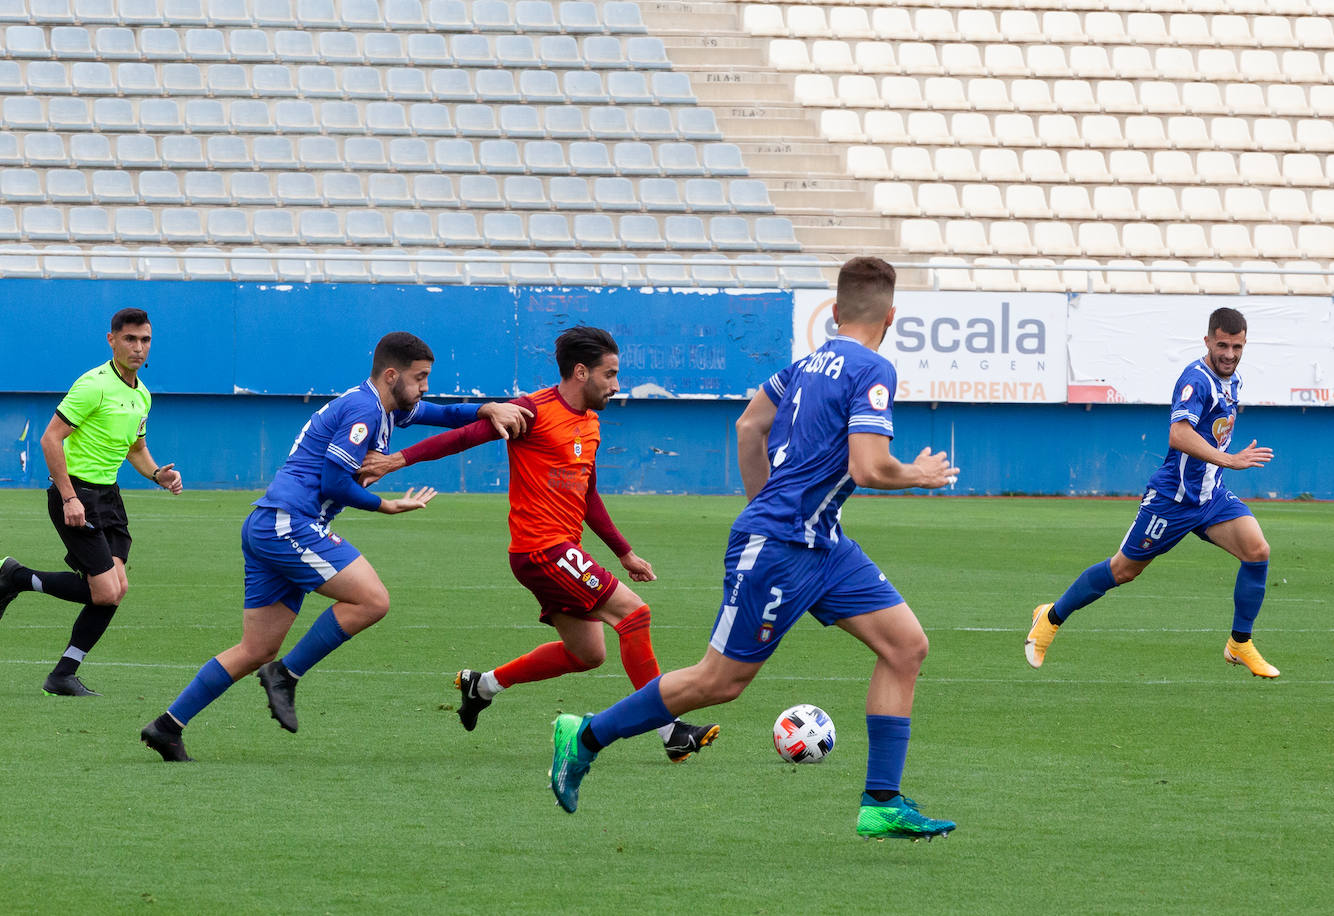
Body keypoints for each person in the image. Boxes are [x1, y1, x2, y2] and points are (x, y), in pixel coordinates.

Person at [542, 258, 961, 841]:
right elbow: (868, 467)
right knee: (720, 681)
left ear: (836, 313)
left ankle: (881, 803)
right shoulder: (874, 368)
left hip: (824, 543)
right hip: (784, 546)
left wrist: (768, 503)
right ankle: (583, 735)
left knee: (906, 648)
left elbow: (747, 427)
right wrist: (915, 474)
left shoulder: (803, 366)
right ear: (891, 316)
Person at [139, 332, 532, 761]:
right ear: (390, 374)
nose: (423, 388)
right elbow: (333, 482)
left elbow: (441, 413)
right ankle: (286, 676)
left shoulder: (381, 406)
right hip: (289, 524)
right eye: (419, 378)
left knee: (255, 649)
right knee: (372, 600)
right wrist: (385, 506)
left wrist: (485, 408)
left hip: (271, 523)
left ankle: (167, 726)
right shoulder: (364, 409)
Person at [360, 326, 719, 763]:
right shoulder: (531, 410)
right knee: (634, 615)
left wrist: (623, 551)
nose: (617, 384)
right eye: (610, 374)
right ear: (582, 372)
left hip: (556, 553)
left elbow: (587, 493)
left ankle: (483, 685)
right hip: (541, 549)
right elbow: (465, 436)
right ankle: (669, 730)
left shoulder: (590, 423)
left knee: (587, 653)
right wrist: (398, 460)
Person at [1026, 307, 1278, 677]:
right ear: (1207, 341)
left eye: (1237, 346)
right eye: (1222, 345)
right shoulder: (1196, 380)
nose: (1229, 354)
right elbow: (1179, 434)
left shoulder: (1233, 379)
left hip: (1210, 498)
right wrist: (1228, 460)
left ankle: (1239, 644)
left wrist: (1219, 468)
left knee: (1257, 551)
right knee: (1123, 571)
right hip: (1171, 501)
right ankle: (1049, 617)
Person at [0, 308, 183, 697]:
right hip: (74, 494)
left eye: (144, 340)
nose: (138, 348)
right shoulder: (93, 385)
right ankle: (19, 578)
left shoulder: (141, 395)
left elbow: (136, 449)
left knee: (116, 588)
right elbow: (50, 439)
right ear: (112, 340)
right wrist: (69, 497)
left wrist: (159, 473)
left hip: (108, 498)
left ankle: (63, 674)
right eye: (130, 339)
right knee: (106, 591)